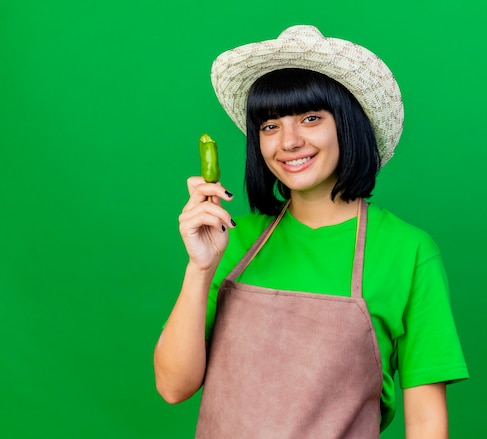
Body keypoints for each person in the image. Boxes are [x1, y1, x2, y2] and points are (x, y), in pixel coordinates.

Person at [154, 25, 468, 438]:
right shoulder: (232, 239)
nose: (289, 141)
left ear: (349, 125)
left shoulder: (407, 252)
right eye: (270, 125)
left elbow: (427, 422)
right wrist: (199, 268)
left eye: (311, 118)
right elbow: (174, 387)